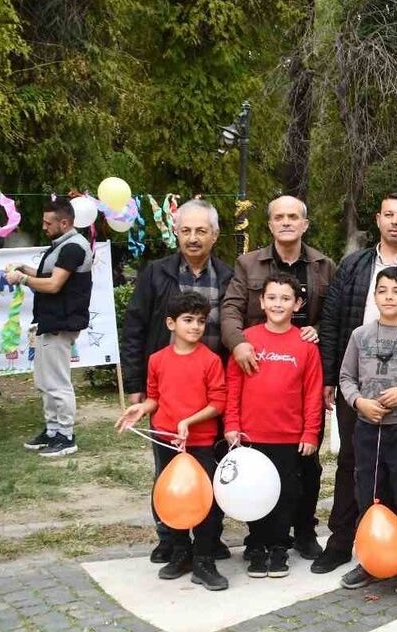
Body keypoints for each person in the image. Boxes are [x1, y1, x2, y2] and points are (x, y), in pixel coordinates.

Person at [314, 191, 397, 574]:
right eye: (388, 214)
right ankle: (344, 541)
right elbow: (333, 322)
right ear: (377, 219)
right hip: (357, 388)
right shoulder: (354, 265)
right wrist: (330, 379)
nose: (394, 222)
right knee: (353, 466)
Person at [220, 195, 334, 562]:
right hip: (258, 366)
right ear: (269, 225)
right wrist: (238, 344)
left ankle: (302, 533)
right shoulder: (248, 263)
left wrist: (316, 330)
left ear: (304, 223)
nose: (286, 222)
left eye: (293, 217)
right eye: (279, 217)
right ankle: (262, 540)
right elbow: (231, 309)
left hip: (302, 371)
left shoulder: (322, 265)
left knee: (306, 472)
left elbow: (332, 315)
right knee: (261, 472)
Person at [120, 199, 234, 564]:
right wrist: (137, 384)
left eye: (201, 230)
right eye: (186, 230)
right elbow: (135, 328)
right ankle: (169, 537)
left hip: (211, 393)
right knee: (166, 467)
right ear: (177, 233)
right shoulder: (157, 273)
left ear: (214, 235)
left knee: (208, 467)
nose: (193, 238)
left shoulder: (229, 276)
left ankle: (208, 537)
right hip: (167, 389)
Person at [115, 292, 228, 591]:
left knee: (204, 500)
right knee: (171, 496)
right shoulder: (156, 360)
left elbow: (218, 402)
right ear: (170, 323)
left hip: (200, 442)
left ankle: (205, 559)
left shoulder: (211, 360)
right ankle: (181, 552)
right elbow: (155, 398)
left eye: (201, 321)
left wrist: (189, 422)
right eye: (188, 320)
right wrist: (142, 409)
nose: (195, 327)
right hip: (166, 441)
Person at [336, 267, 397, 595]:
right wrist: (359, 402)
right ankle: (371, 558)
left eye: (396, 291)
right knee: (369, 495)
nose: (389, 296)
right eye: (382, 290)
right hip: (367, 429)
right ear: (374, 296)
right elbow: (346, 377)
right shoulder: (360, 335)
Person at [224, 273, 324, 579]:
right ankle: (257, 545)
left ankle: (280, 546)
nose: (278, 303)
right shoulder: (247, 340)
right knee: (256, 492)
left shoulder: (306, 346)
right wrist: (231, 424)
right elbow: (233, 386)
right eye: (272, 298)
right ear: (261, 301)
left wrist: (310, 432)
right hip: (251, 435)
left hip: (289, 437)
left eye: (285, 298)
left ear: (297, 304)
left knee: (286, 493)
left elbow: (313, 392)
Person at [9, 198, 93, 458]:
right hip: (51, 323)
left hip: (61, 323)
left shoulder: (73, 248)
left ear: (64, 223)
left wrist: (23, 278)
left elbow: (55, 284)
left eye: (49, 223)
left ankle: (66, 436)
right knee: (45, 382)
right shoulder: (63, 246)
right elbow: (50, 277)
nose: (44, 226)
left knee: (58, 383)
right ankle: (52, 430)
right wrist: (27, 269)